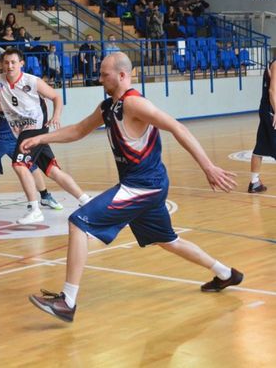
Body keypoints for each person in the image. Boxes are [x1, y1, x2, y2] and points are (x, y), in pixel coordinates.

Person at [25, 52, 244, 323]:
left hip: (143, 185)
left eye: (104, 74)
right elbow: (79, 130)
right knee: (168, 241)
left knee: (78, 222)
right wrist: (41, 139)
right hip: (145, 185)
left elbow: (177, 127)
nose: (100, 78)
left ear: (122, 75)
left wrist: (208, 166)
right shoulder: (108, 107)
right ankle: (226, 274)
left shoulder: (134, 103)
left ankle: (67, 301)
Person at [0, 49, 90, 224]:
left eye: (13, 62)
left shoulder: (32, 81)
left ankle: (34, 209)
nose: (9, 66)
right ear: (1, 64)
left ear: (21, 64)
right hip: (20, 130)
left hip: (36, 127)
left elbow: (56, 96)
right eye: (6, 62)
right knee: (52, 170)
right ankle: (85, 200)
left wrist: (56, 116)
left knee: (19, 165)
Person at [0, 80, 63, 223]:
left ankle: (45, 196)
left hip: (14, 135)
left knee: (31, 166)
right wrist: (0, 106)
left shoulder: (23, 85)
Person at [248, 58, 276, 193]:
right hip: (270, 111)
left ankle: (254, 182)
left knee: (260, 147)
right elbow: (272, 91)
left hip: (266, 109)